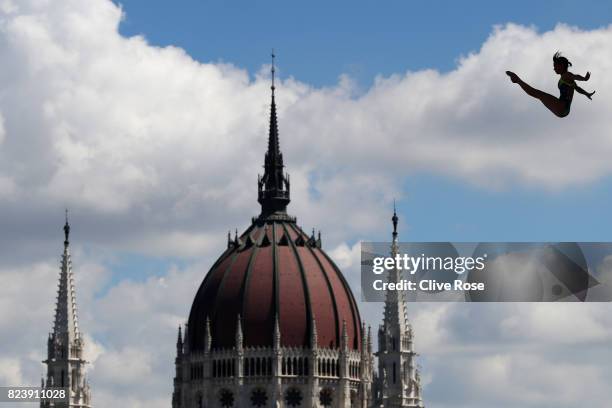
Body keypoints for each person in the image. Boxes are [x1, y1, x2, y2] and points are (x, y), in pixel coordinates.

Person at [506, 52, 595, 117]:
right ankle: (517, 80)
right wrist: (586, 93)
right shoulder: (567, 79)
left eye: (555, 66)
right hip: (564, 110)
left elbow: (575, 76)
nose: (554, 68)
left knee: (537, 93)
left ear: (562, 65)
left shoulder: (566, 75)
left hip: (562, 107)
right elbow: (577, 88)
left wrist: (584, 79)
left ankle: (517, 80)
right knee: (537, 94)